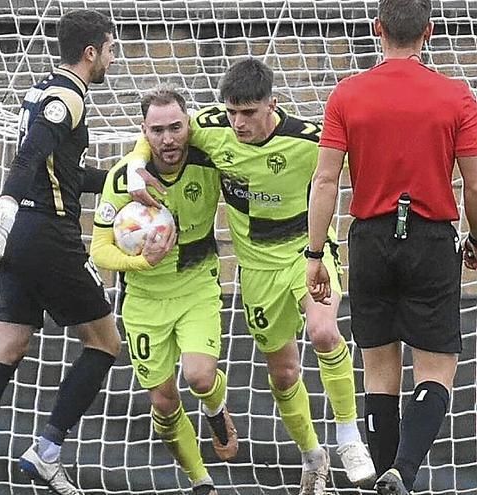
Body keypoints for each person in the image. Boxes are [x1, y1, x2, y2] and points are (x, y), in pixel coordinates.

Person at [124, 58, 374, 494]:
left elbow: (361, 158)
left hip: (306, 251)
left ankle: (349, 435)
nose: (238, 123)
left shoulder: (307, 139)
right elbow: (161, 130)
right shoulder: (212, 126)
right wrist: (133, 164)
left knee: (323, 332)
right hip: (255, 267)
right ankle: (313, 455)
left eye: (249, 113)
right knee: (283, 373)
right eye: (232, 112)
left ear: (272, 105)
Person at [306, 1, 477, 493]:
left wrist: (316, 255)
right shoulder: (456, 97)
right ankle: (403, 469)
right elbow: (473, 183)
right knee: (437, 366)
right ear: (430, 30)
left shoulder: (347, 94)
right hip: (429, 238)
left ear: (377, 28)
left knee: (379, 369)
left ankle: (385, 476)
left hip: (370, 238)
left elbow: (324, 180)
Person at [0, 9, 118, 495]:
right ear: (91, 52)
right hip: (48, 235)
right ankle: (46, 450)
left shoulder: (42, 88)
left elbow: (63, 174)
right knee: (105, 342)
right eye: (110, 50)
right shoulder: (66, 97)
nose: (112, 60)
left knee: (6, 346)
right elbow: (27, 160)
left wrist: (120, 178)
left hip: (24, 236)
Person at [91, 85, 237, 495]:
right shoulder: (124, 178)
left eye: (176, 127)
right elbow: (100, 250)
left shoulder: (209, 162)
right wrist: (142, 261)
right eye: (157, 131)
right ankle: (200, 481)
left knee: (200, 375)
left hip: (196, 284)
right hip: (144, 299)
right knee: (163, 402)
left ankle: (215, 408)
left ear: (188, 125)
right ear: (144, 131)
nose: (168, 139)